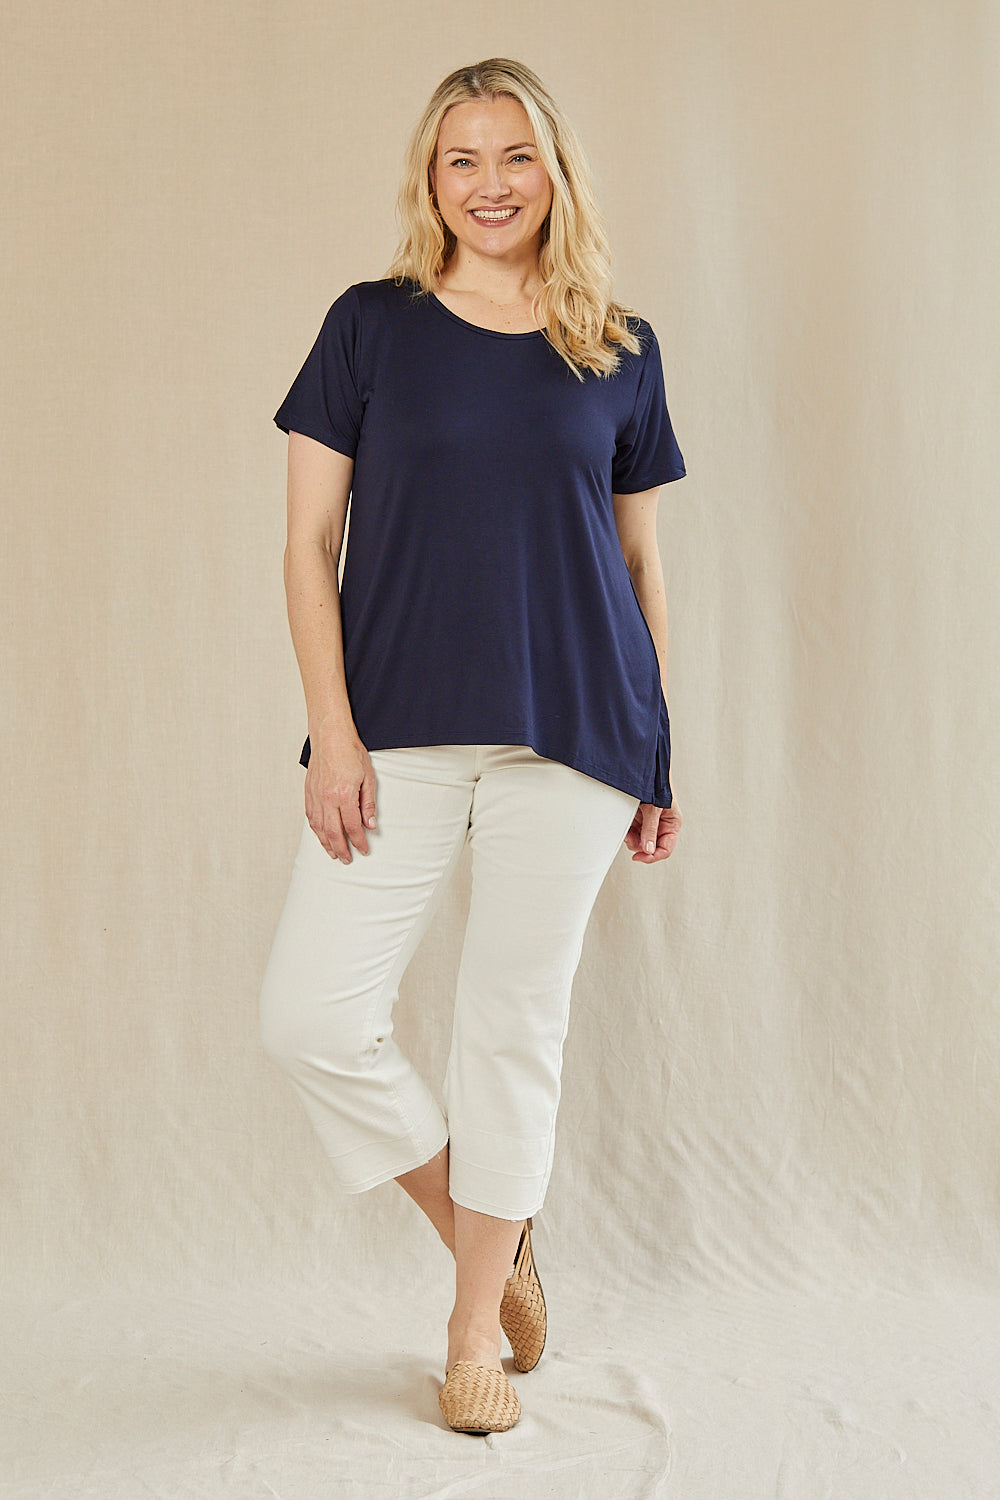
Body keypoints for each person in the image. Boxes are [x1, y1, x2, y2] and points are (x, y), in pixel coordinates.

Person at [259, 57, 685, 1436]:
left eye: (515, 157)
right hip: (397, 726)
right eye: (463, 159)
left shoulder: (618, 346)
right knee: (312, 1016)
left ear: (554, 173)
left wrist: (658, 753)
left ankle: (469, 1334)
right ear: (430, 179)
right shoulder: (369, 328)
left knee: (513, 1028)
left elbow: (638, 567)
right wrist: (332, 734)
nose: (491, 184)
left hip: (577, 733)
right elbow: (307, 548)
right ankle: (488, 1248)